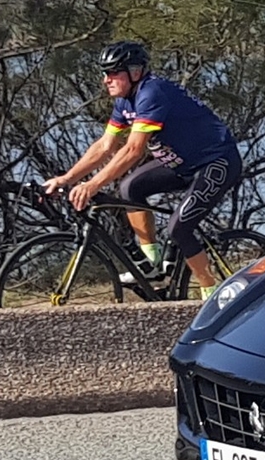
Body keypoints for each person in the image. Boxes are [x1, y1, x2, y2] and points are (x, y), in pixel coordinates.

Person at [44, 41, 242, 293]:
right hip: (182, 164)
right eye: (105, 73)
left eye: (113, 72)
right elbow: (105, 146)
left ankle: (213, 293)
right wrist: (66, 178)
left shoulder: (152, 92)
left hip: (216, 162)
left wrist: (93, 184)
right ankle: (153, 264)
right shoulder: (125, 101)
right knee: (130, 189)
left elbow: (133, 149)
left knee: (179, 228)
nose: (106, 80)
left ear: (135, 72)